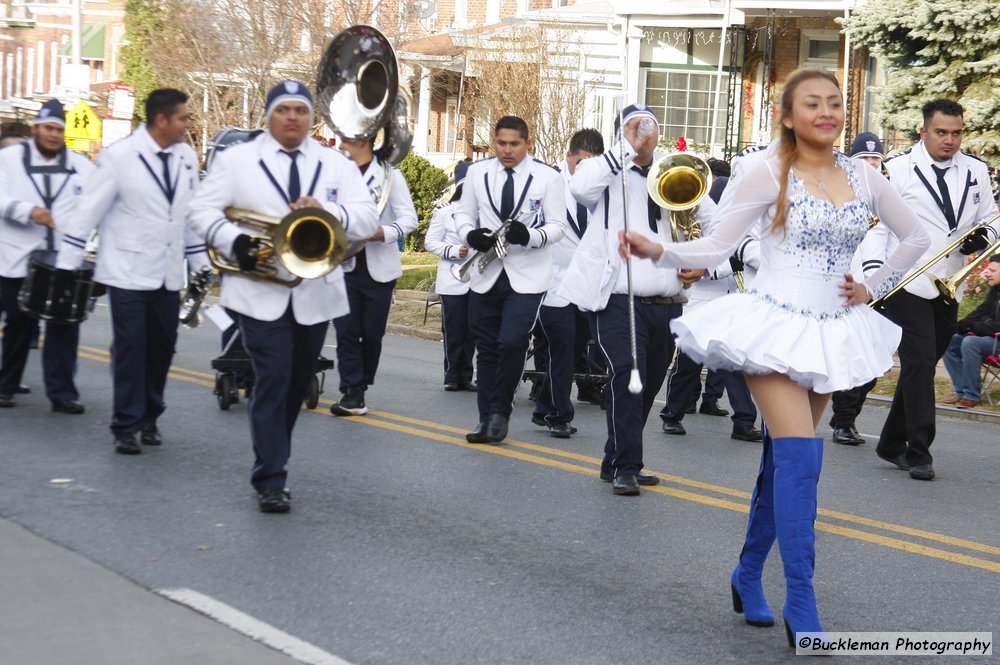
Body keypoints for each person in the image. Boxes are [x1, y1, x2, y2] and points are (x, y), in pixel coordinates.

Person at [619, 69, 928, 646]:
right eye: (812, 104)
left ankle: (746, 572)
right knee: (802, 459)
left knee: (783, 462)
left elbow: (914, 237)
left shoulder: (864, 176)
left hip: (832, 330)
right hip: (773, 325)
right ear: (787, 116)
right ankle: (803, 600)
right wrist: (659, 248)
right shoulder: (766, 171)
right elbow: (718, 244)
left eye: (835, 103)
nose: (826, 112)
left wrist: (872, 284)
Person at [188, 80, 377, 512]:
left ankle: (275, 455)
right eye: (284, 109)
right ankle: (271, 476)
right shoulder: (238, 160)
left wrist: (331, 212)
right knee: (271, 376)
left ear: (311, 118)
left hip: (315, 292)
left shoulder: (335, 163)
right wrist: (232, 240)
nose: (293, 117)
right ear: (269, 116)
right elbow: (201, 210)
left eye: (301, 110)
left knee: (294, 384)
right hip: (259, 290)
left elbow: (366, 214)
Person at [559, 104, 714, 496]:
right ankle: (628, 465)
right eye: (633, 128)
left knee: (648, 385)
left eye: (649, 127)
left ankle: (615, 456)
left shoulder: (675, 169)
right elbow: (579, 186)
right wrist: (622, 149)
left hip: (667, 301)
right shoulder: (606, 171)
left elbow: (715, 224)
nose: (642, 134)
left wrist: (705, 266)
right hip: (617, 298)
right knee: (629, 377)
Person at [56, 88, 209, 454]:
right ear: (161, 120)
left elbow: (188, 216)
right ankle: (125, 423)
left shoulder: (187, 157)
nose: (188, 125)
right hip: (126, 271)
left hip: (168, 274)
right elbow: (87, 211)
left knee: (162, 349)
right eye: (183, 118)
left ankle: (150, 415)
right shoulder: (120, 157)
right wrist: (67, 262)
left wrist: (202, 265)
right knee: (130, 349)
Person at [863, 99, 999, 480]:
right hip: (904, 281)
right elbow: (877, 227)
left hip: (948, 285)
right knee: (920, 360)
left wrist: (983, 237)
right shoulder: (897, 168)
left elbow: (990, 217)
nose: (950, 140)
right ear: (924, 131)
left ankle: (891, 442)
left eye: (956, 133)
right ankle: (919, 450)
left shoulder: (975, 171)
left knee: (923, 363)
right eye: (941, 132)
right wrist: (876, 278)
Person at [454, 116, 565, 444]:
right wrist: (470, 234)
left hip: (528, 275)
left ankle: (502, 409)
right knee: (486, 349)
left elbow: (558, 225)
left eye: (514, 144)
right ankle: (486, 418)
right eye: (501, 143)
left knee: (512, 341)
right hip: (487, 272)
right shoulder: (477, 173)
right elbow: (463, 214)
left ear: (527, 143)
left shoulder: (547, 176)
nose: (506, 150)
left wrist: (529, 235)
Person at [659, 157, 762, 443]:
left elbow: (730, 252)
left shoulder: (724, 214)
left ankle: (743, 421)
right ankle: (671, 414)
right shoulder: (674, 215)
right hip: (698, 297)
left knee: (732, 359)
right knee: (690, 360)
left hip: (726, 295)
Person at [0, 100, 93, 411]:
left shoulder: (80, 164)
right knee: (19, 323)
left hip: (63, 257)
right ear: (36, 129)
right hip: (18, 257)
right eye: (49, 129)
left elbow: (99, 197)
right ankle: (6, 386)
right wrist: (29, 211)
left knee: (64, 325)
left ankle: (62, 394)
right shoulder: (9, 159)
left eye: (59, 130)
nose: (54, 135)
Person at [328, 133, 418, 416]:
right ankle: (351, 391)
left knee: (371, 334)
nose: (341, 146)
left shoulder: (392, 177)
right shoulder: (336, 174)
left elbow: (409, 219)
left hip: (379, 268)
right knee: (346, 332)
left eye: (346, 141)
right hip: (343, 266)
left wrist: (384, 233)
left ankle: (361, 383)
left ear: (364, 142)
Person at [531, 128, 604, 438]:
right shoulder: (549, 184)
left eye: (594, 164)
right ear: (569, 157)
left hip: (586, 287)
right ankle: (560, 414)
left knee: (573, 354)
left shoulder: (602, 190)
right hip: (554, 286)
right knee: (561, 350)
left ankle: (543, 407)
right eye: (582, 162)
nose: (587, 169)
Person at [827, 131, 885, 446]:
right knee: (855, 357)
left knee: (876, 362)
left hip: (883, 288)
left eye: (876, 159)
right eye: (864, 159)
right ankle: (844, 422)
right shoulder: (841, 194)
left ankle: (844, 416)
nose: (871, 164)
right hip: (849, 288)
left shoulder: (888, 195)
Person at [423, 159, 476, 392]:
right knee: (454, 329)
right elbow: (429, 242)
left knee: (472, 329)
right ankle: (451, 374)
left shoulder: (482, 212)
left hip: (476, 277)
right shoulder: (445, 212)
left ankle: (466, 375)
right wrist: (453, 251)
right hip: (452, 279)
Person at [941, 254, 1000, 407]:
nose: (987, 273)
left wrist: (976, 326)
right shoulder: (995, 289)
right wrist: (961, 325)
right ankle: (961, 391)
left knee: (970, 342)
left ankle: (972, 395)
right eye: (988, 269)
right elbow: (982, 311)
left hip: (996, 341)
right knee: (951, 339)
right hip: (991, 337)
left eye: (993, 270)